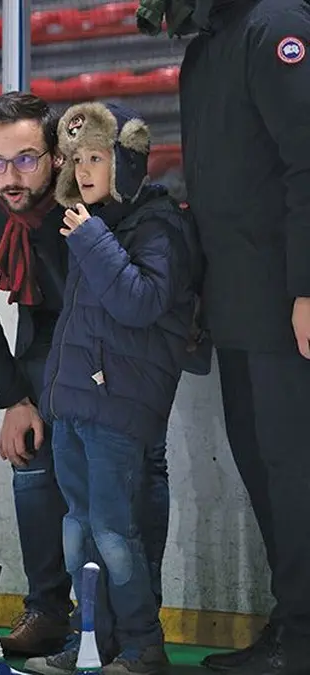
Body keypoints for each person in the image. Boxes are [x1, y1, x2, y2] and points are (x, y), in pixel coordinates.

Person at [0, 92, 171, 659]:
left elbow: (145, 281)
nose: (9, 176)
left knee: (136, 466)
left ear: (58, 157)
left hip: (126, 341)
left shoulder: (98, 199)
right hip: (51, 330)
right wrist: (14, 398)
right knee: (32, 455)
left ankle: (133, 622)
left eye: (26, 159)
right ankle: (50, 610)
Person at [137, 0, 310, 671]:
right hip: (238, 307)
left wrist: (306, 287)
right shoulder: (203, 53)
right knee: (265, 473)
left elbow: (306, 161)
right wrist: (198, 295)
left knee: (295, 474)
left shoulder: (278, 28)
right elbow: (211, 193)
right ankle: (294, 622)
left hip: (284, 309)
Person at [36, 101, 204, 675]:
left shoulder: (157, 222)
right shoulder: (94, 222)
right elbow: (80, 323)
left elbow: (140, 303)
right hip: (76, 403)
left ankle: (141, 646)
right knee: (77, 532)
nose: (83, 171)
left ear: (125, 161)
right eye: (77, 159)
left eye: (98, 158)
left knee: (112, 533)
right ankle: (93, 642)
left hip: (119, 406)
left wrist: (90, 240)